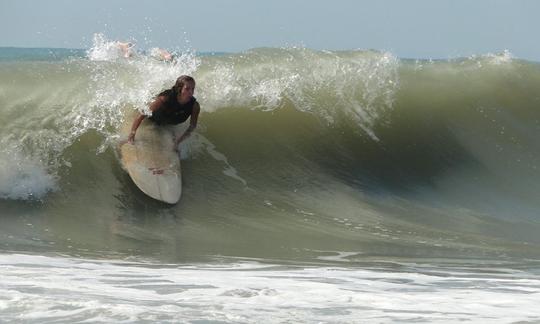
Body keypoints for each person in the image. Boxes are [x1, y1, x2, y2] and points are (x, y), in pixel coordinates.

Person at [128, 75, 200, 149]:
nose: (191, 92)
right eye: (187, 89)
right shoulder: (164, 99)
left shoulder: (195, 106)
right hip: (151, 118)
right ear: (179, 89)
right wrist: (132, 133)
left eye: (193, 88)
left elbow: (192, 126)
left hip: (167, 122)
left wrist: (178, 142)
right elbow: (142, 114)